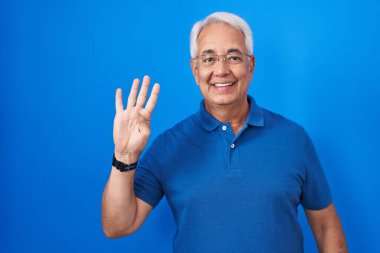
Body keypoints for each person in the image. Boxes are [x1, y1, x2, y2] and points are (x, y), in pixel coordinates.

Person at [102, 12, 348, 252]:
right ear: (195, 69)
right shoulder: (169, 145)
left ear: (250, 65)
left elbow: (326, 226)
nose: (221, 70)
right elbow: (117, 226)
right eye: (209, 59)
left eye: (233, 57)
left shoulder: (294, 139)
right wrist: (124, 155)